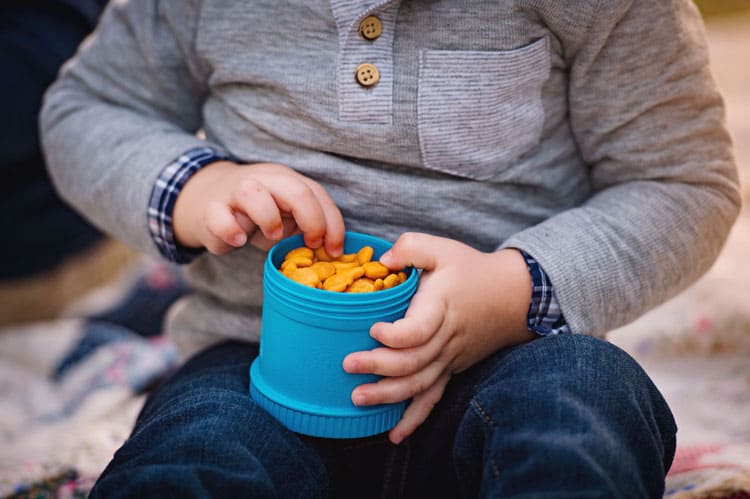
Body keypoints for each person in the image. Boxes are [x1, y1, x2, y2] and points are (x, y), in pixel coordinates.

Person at [40, 0, 741, 497]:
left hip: (510, 362)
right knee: (189, 452)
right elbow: (85, 109)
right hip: (255, 367)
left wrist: (517, 288)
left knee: (585, 397)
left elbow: (681, 178)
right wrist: (197, 188)